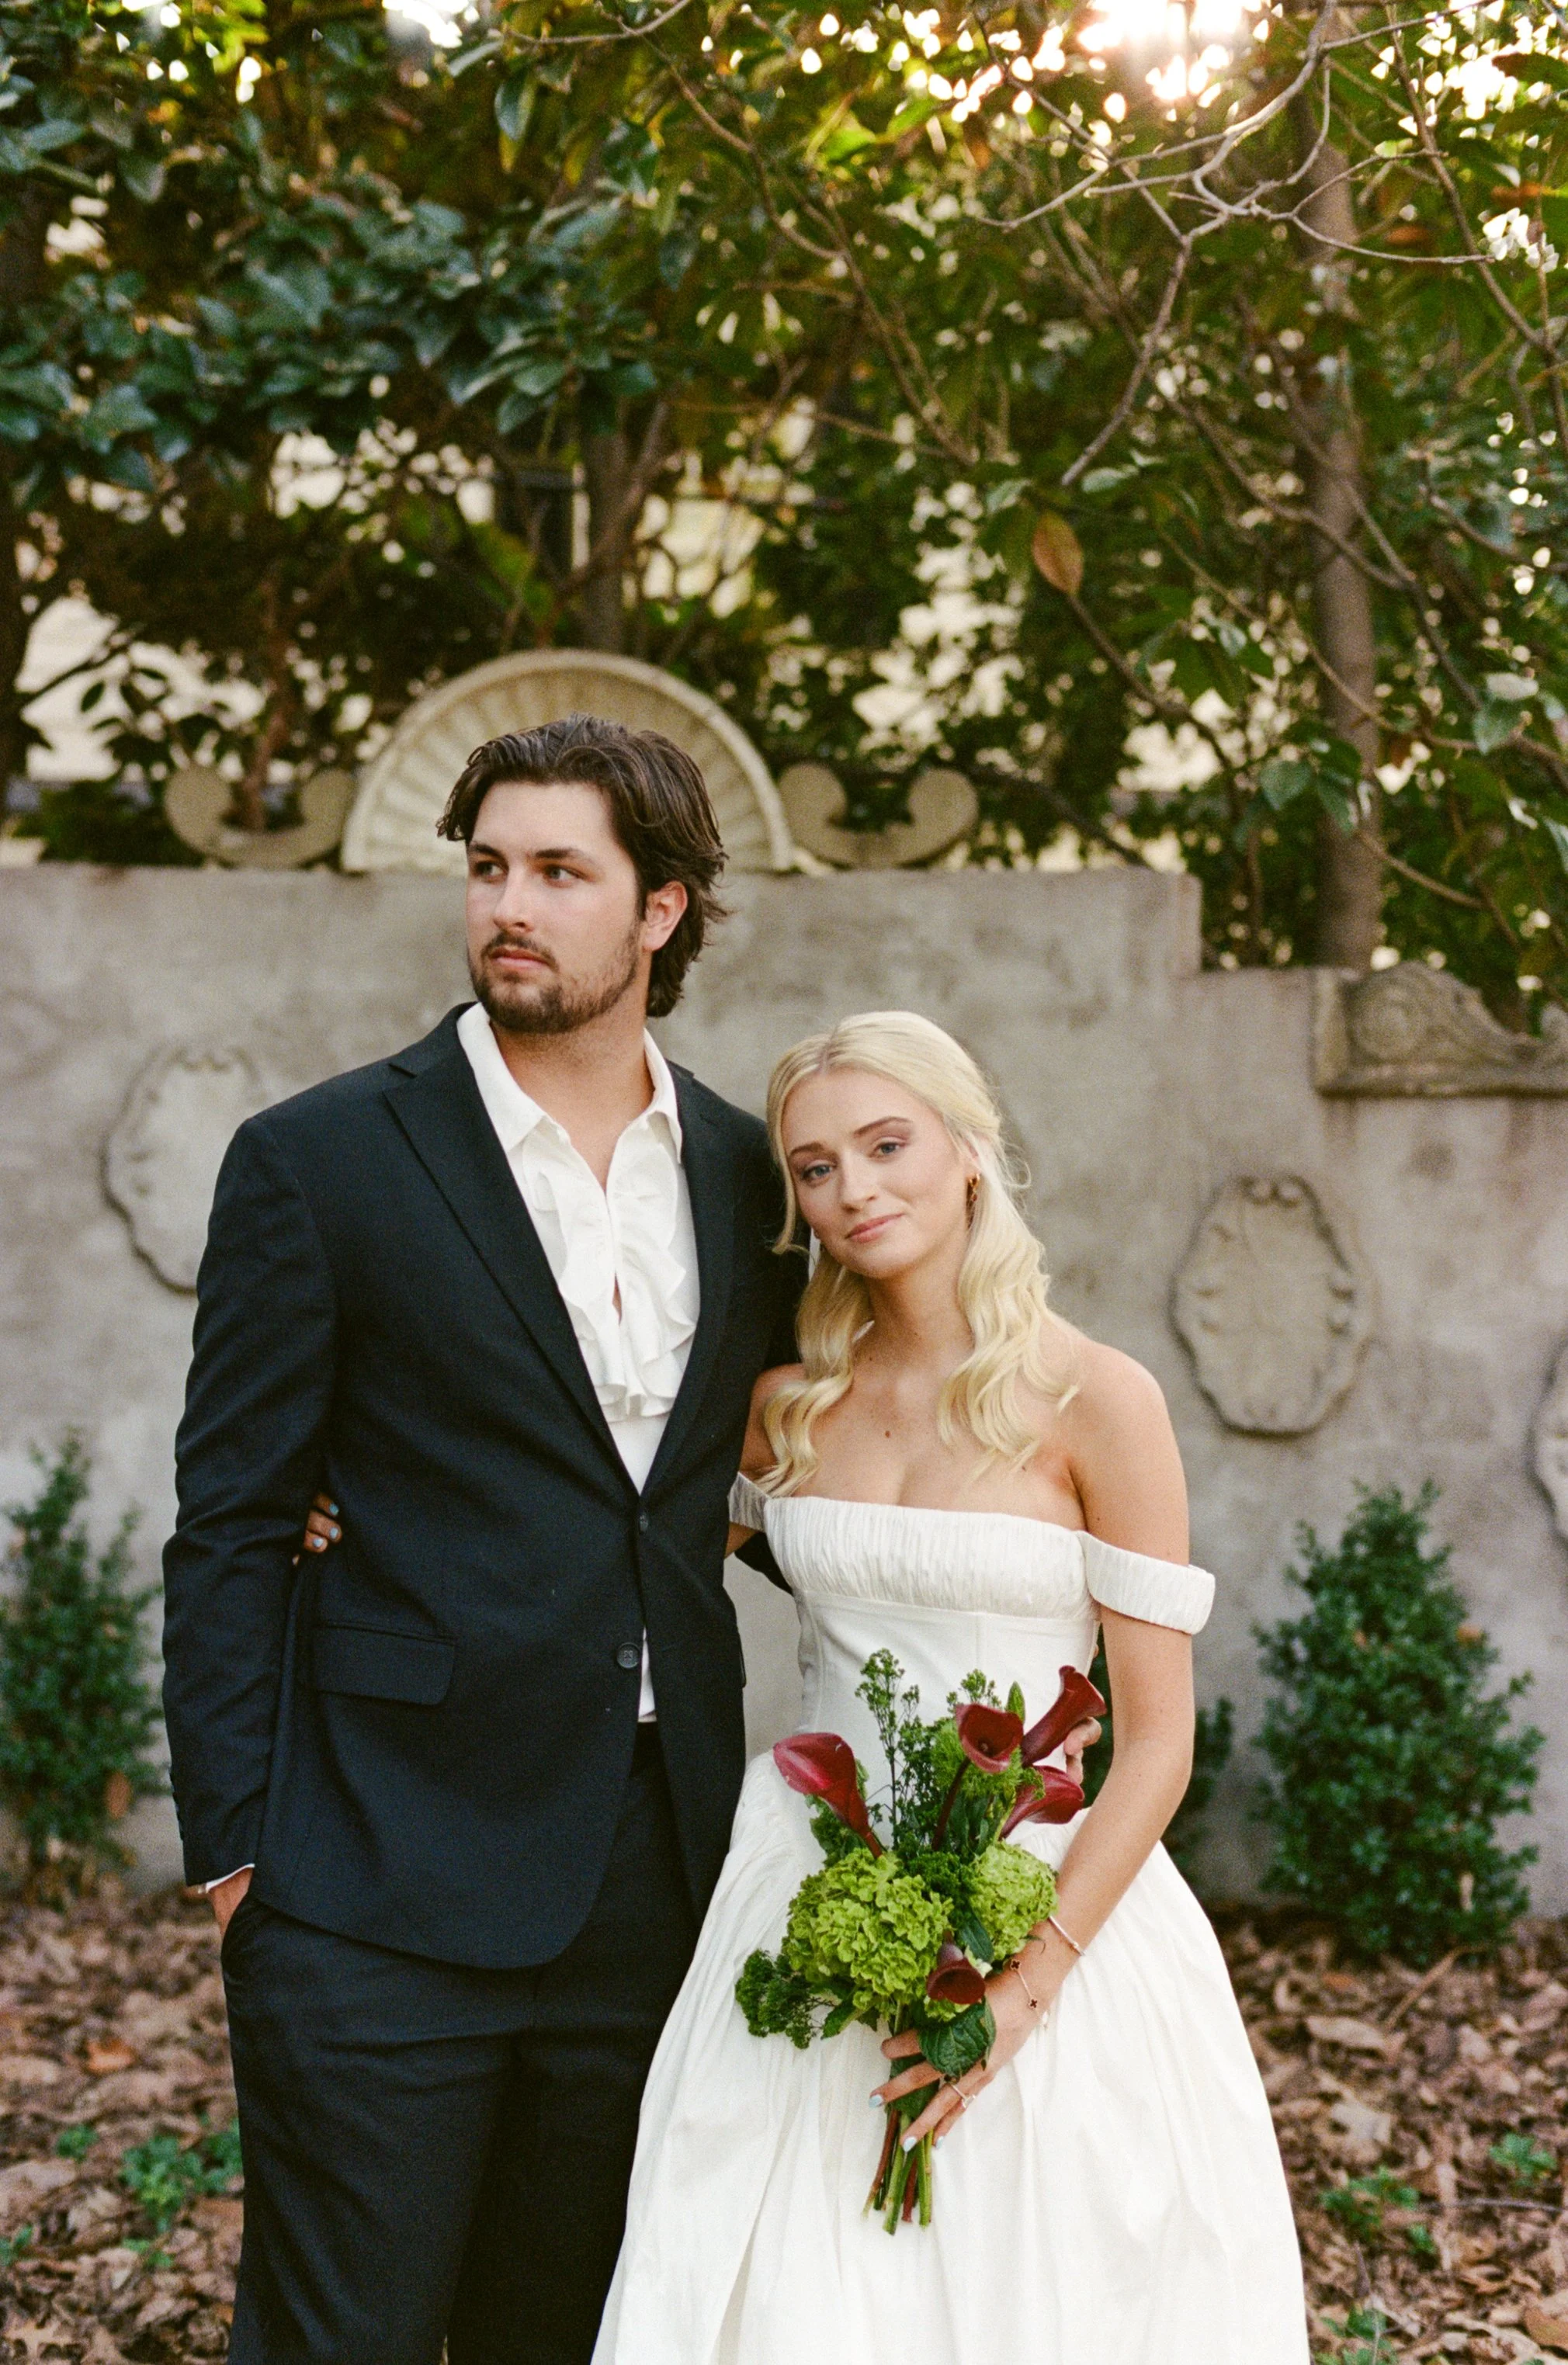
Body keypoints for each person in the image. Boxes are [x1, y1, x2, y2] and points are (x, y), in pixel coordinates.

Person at [161, 715, 810, 2365]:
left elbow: (753, 1474)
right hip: (372, 1872)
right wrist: (242, 1860)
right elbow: (232, 1522)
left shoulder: (747, 1174)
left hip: (652, 1871)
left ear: (659, 908)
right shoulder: (318, 1162)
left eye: (558, 872)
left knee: (574, 2334)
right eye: (486, 867)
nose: (507, 905)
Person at [588, 1010, 1311, 2365]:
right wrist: (353, 1505)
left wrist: (1020, 1989)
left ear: (969, 1149)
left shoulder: (1098, 1400)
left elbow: (1155, 1744)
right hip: (809, 1894)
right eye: (814, 1167)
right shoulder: (784, 1409)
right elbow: (598, 1526)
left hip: (1048, 1905)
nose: (854, 1188)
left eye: (885, 1143)